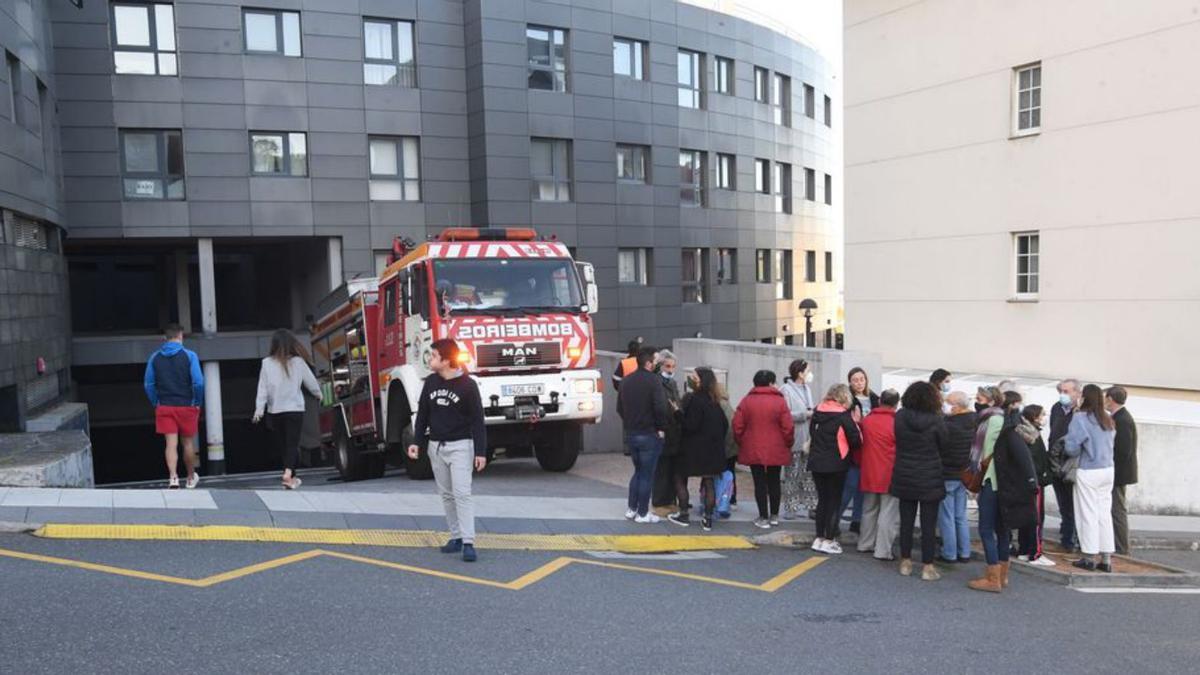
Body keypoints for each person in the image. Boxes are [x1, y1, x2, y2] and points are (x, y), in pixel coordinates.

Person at [407, 338, 488, 562]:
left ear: (445, 360)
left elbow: (477, 421)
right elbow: (423, 414)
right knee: (447, 495)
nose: (429, 359)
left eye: (433, 356)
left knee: (462, 494)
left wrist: (480, 451)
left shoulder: (468, 385)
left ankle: (469, 541)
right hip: (436, 447)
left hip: (461, 446)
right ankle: (456, 537)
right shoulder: (431, 382)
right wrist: (417, 442)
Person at [891, 381, 949, 581]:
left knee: (906, 521)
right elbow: (944, 445)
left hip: (904, 473)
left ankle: (905, 562)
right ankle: (927, 566)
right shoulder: (937, 420)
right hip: (929, 475)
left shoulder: (900, 417)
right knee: (928, 524)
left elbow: (897, 439)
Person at [252, 329, 322, 490]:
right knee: (292, 444)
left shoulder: (266, 363)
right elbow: (310, 382)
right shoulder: (298, 362)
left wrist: (259, 410)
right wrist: (319, 394)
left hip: (275, 411)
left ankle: (291, 478)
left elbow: (262, 389)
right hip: (294, 409)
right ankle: (288, 473)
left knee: (284, 446)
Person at [143, 324, 204, 489]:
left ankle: (173, 478)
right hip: (187, 406)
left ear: (164, 338)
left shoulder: (155, 357)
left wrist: (156, 402)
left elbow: (148, 384)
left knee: (170, 444)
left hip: (165, 407)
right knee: (188, 444)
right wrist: (197, 402)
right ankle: (190, 477)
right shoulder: (190, 356)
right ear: (180, 336)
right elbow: (198, 382)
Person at [1064, 384, 1117, 572]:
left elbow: (1071, 447)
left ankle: (1088, 556)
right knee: (1104, 513)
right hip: (1108, 469)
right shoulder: (1108, 419)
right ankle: (1106, 558)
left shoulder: (1080, 418)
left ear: (1084, 397)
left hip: (1088, 469)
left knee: (1087, 513)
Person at [670, 368, 729, 531]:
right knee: (709, 482)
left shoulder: (694, 399)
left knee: (679, 478)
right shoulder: (715, 401)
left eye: (694, 377)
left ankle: (683, 514)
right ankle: (708, 518)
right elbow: (724, 425)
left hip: (692, 450)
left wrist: (677, 413)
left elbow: (690, 425)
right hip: (712, 451)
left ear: (701, 380)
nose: (692, 379)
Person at [733, 370, 794, 529]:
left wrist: (743, 442)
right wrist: (788, 443)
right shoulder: (780, 402)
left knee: (759, 482)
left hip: (753, 446)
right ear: (771, 383)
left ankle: (763, 516)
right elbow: (788, 427)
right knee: (774, 480)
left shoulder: (747, 401)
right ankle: (774, 515)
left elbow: (737, 426)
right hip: (776, 447)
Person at [991, 391, 1039, 589]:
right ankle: (1001, 575)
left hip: (1009, 484)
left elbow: (1024, 461)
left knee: (1000, 527)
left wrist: (1032, 482)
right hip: (1013, 484)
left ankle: (997, 576)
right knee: (1004, 527)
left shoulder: (1010, 433)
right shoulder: (1019, 431)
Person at [807, 384, 862, 554]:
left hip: (816, 462)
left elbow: (812, 434)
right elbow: (856, 441)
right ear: (845, 397)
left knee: (822, 501)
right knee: (834, 502)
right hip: (836, 463)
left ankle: (819, 538)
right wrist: (857, 423)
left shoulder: (817, 411)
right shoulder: (844, 416)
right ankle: (829, 539)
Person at [617, 346, 669, 523]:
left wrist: (630, 422)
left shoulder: (626, 381)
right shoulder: (654, 381)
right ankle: (643, 513)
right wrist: (661, 428)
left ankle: (631, 509)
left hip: (632, 433)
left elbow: (620, 408)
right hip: (649, 434)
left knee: (638, 472)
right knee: (647, 474)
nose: (657, 364)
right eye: (655, 361)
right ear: (648, 363)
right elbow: (660, 407)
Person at [967, 386, 1010, 592]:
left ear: (992, 401)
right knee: (1002, 529)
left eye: (980, 398)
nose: (977, 401)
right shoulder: (1004, 419)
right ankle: (1003, 574)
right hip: (1003, 481)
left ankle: (993, 578)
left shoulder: (991, 420)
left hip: (991, 479)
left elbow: (986, 454)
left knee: (985, 529)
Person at [857, 389, 900, 561]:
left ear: (880, 400)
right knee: (888, 513)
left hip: (868, 471)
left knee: (868, 510)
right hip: (889, 472)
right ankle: (883, 550)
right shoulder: (896, 423)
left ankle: (864, 543)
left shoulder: (867, 420)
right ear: (897, 403)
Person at [938, 391, 976, 563]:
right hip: (964, 474)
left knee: (946, 516)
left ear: (957, 406)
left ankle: (949, 553)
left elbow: (942, 449)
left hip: (947, 474)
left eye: (948, 402)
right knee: (960, 516)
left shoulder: (948, 425)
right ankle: (965, 552)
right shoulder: (974, 422)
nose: (945, 404)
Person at [1017, 404, 1056, 566]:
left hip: (1026, 482)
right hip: (1035, 481)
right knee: (1036, 518)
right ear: (1035, 417)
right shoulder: (1032, 436)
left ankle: (1024, 550)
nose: (1044, 417)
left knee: (1027, 517)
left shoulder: (1021, 432)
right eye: (1042, 414)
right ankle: (1035, 553)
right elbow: (1037, 461)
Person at [840, 367, 877, 534]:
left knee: (863, 487)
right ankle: (834, 517)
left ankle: (857, 520)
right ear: (850, 382)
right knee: (850, 485)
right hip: (853, 446)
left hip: (870, 446)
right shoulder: (846, 399)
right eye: (855, 380)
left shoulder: (875, 398)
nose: (859, 383)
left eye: (862, 379)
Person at [780, 359, 816, 520]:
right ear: (800, 373)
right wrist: (804, 414)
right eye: (808, 371)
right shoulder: (785, 390)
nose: (810, 374)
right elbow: (784, 414)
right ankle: (791, 507)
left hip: (808, 438)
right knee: (792, 474)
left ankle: (811, 507)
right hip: (794, 438)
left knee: (809, 474)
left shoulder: (807, 388)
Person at [1049, 378, 1081, 551]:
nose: (1063, 395)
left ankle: (1071, 538)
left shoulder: (1081, 412)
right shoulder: (1056, 408)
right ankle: (1066, 534)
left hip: (1070, 463)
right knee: (1063, 502)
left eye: (1066, 391)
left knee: (1072, 503)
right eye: (1061, 391)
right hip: (1055, 461)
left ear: (1077, 393)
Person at [1106, 386, 1138, 555]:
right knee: (1115, 508)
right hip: (1117, 472)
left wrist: (1111, 469)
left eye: (1106, 398)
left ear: (1110, 398)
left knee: (1117, 510)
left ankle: (1121, 548)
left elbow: (1123, 451)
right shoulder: (1119, 417)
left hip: (1119, 473)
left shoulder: (1122, 419)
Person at [651, 350, 683, 513]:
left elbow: (676, 403)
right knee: (662, 470)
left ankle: (669, 499)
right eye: (667, 366)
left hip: (673, 432)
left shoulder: (672, 383)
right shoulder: (656, 383)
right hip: (663, 431)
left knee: (671, 469)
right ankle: (659, 502)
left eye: (673, 366)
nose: (670, 370)